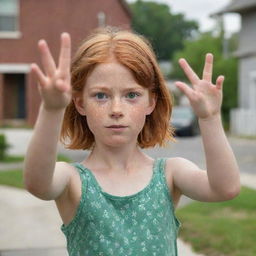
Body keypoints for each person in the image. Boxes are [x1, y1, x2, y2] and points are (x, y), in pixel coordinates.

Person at [24, 27, 240, 256]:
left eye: (131, 95)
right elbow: (37, 183)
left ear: (151, 102)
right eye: (101, 95)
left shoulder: (170, 173)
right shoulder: (72, 180)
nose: (116, 109)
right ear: (79, 104)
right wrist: (51, 109)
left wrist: (210, 118)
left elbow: (225, 189)